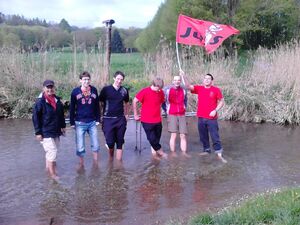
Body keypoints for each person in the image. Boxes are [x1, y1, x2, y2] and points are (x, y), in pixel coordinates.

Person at [181, 71, 227, 163]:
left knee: (215, 136)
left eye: (208, 79)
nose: (206, 80)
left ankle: (219, 154)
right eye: (205, 78)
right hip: (201, 117)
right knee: (203, 136)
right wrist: (184, 76)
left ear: (212, 81)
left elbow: (221, 101)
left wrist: (215, 110)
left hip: (211, 119)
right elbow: (188, 87)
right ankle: (206, 150)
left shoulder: (216, 90)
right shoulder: (200, 88)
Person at [32, 79, 66, 180]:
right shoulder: (40, 102)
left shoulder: (57, 100)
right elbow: (35, 118)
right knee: (52, 151)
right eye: (48, 87)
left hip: (56, 130)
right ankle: (52, 175)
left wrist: (63, 126)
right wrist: (38, 132)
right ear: (44, 88)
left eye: (51, 87)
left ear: (54, 88)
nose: (50, 89)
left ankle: (48, 168)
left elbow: (61, 115)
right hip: (45, 132)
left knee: (52, 151)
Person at [69, 71, 101, 169]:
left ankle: (95, 163)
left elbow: (97, 106)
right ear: (80, 80)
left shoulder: (94, 90)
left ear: (90, 80)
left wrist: (98, 119)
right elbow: (71, 108)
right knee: (80, 146)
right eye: (84, 79)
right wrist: (72, 122)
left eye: (88, 79)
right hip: (79, 122)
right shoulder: (75, 92)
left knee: (95, 145)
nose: (86, 81)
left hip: (92, 122)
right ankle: (81, 164)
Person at [133, 77, 167, 159]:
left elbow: (162, 101)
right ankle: (162, 154)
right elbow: (134, 101)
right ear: (153, 85)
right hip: (146, 120)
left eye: (160, 89)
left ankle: (154, 156)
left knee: (156, 140)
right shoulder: (145, 91)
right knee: (152, 139)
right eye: (157, 88)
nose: (159, 90)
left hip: (158, 120)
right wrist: (135, 114)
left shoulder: (161, 92)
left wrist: (164, 111)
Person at [99, 71, 130, 161]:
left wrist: (127, 114)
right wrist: (100, 115)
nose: (119, 81)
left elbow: (127, 103)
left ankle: (119, 165)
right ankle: (111, 158)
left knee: (120, 141)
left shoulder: (124, 90)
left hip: (120, 119)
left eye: (121, 79)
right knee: (110, 142)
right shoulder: (106, 90)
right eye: (118, 79)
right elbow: (100, 102)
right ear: (114, 78)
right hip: (108, 119)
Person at [163, 75, 188, 155]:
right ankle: (173, 153)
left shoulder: (183, 90)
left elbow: (185, 100)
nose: (177, 82)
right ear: (173, 81)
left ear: (180, 81)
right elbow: (163, 102)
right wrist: (166, 110)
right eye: (175, 80)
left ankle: (184, 153)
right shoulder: (167, 90)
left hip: (182, 114)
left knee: (183, 135)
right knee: (173, 135)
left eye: (178, 80)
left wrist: (184, 108)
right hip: (172, 114)